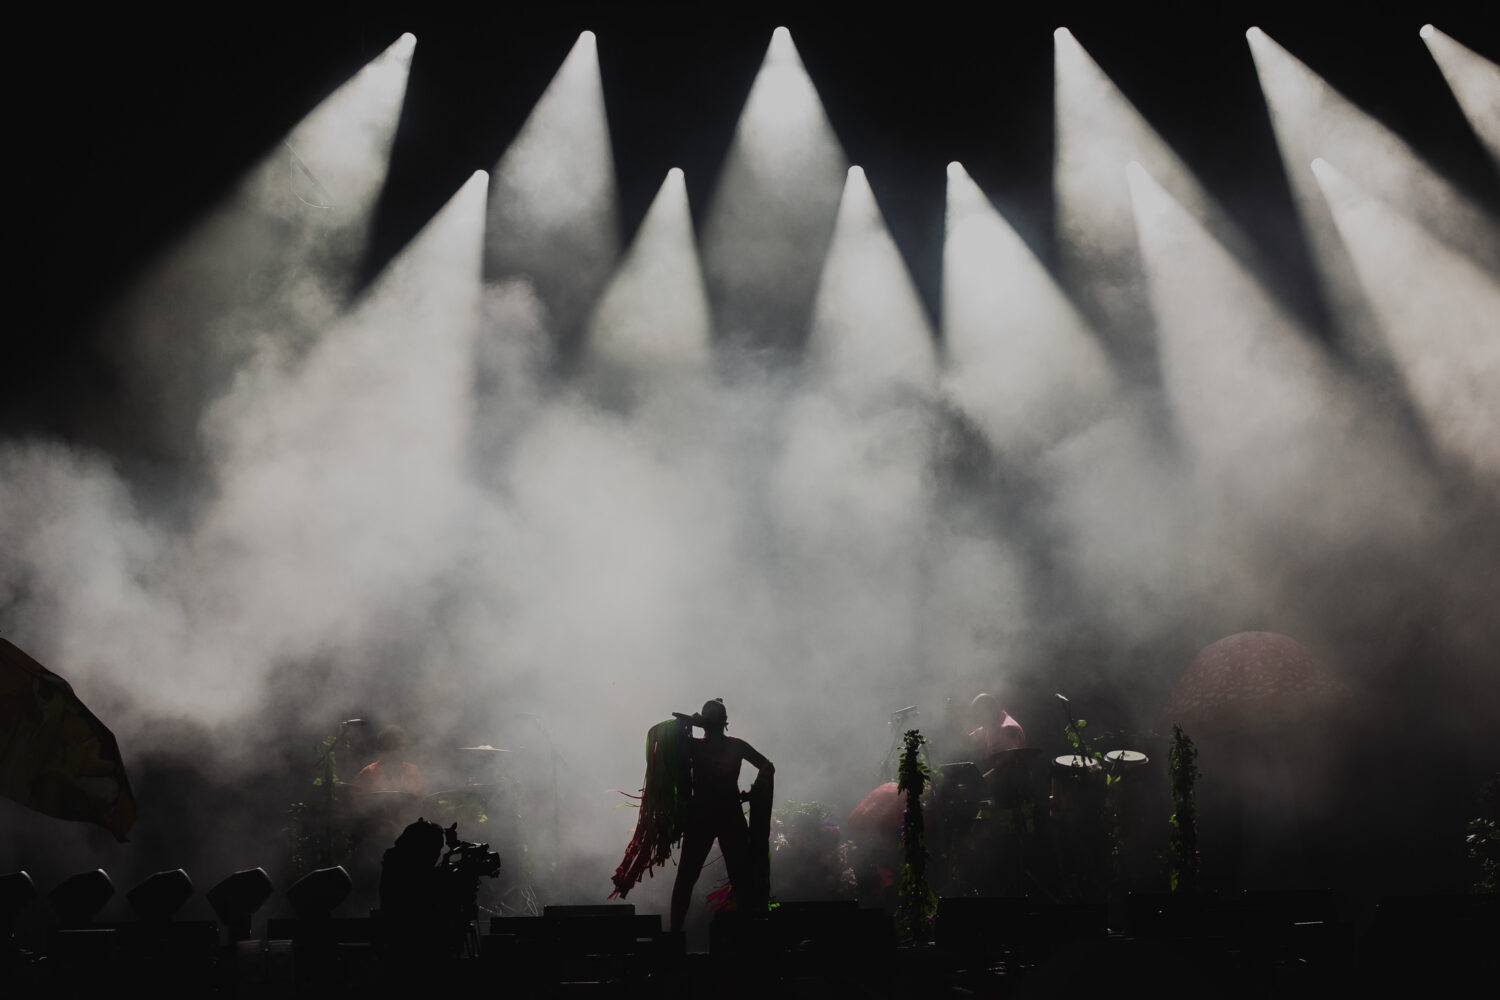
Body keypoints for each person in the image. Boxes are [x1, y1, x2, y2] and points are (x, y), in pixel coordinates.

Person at [669, 698, 774, 933]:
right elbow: (768, 767)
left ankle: (676, 935)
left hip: (712, 817)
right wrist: (753, 794)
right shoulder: (725, 746)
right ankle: (747, 936)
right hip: (720, 816)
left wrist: (753, 793)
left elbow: (768, 767)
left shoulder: (696, 746)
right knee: (734, 878)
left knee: (693, 876)